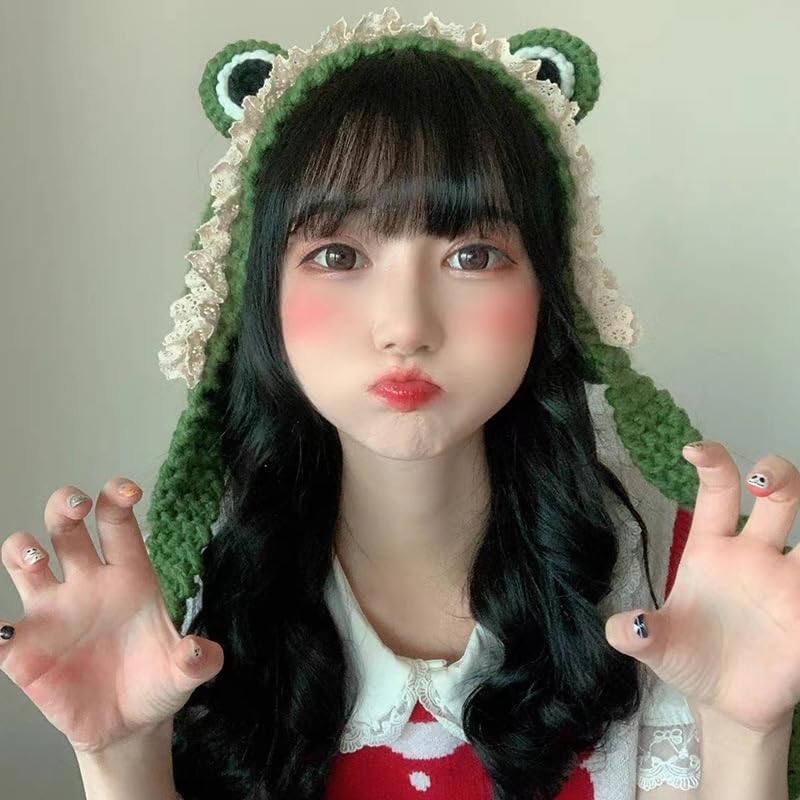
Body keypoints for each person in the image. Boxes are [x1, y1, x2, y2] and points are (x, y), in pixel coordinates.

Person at [1, 8, 799, 800]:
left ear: (551, 290)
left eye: (472, 255)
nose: (406, 328)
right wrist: (121, 758)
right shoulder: (183, 593)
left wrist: (748, 734)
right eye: (337, 255)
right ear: (259, 295)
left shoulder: (674, 575)